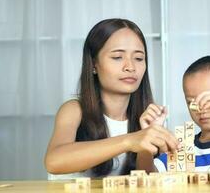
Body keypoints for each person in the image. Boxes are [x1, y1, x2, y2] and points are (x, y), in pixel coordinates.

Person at [44, 18, 178, 178]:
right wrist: (130, 140)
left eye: (139, 58)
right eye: (117, 57)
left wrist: (146, 144)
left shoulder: (146, 116)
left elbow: (146, 180)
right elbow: (54, 162)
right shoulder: (74, 110)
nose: (130, 67)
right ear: (94, 64)